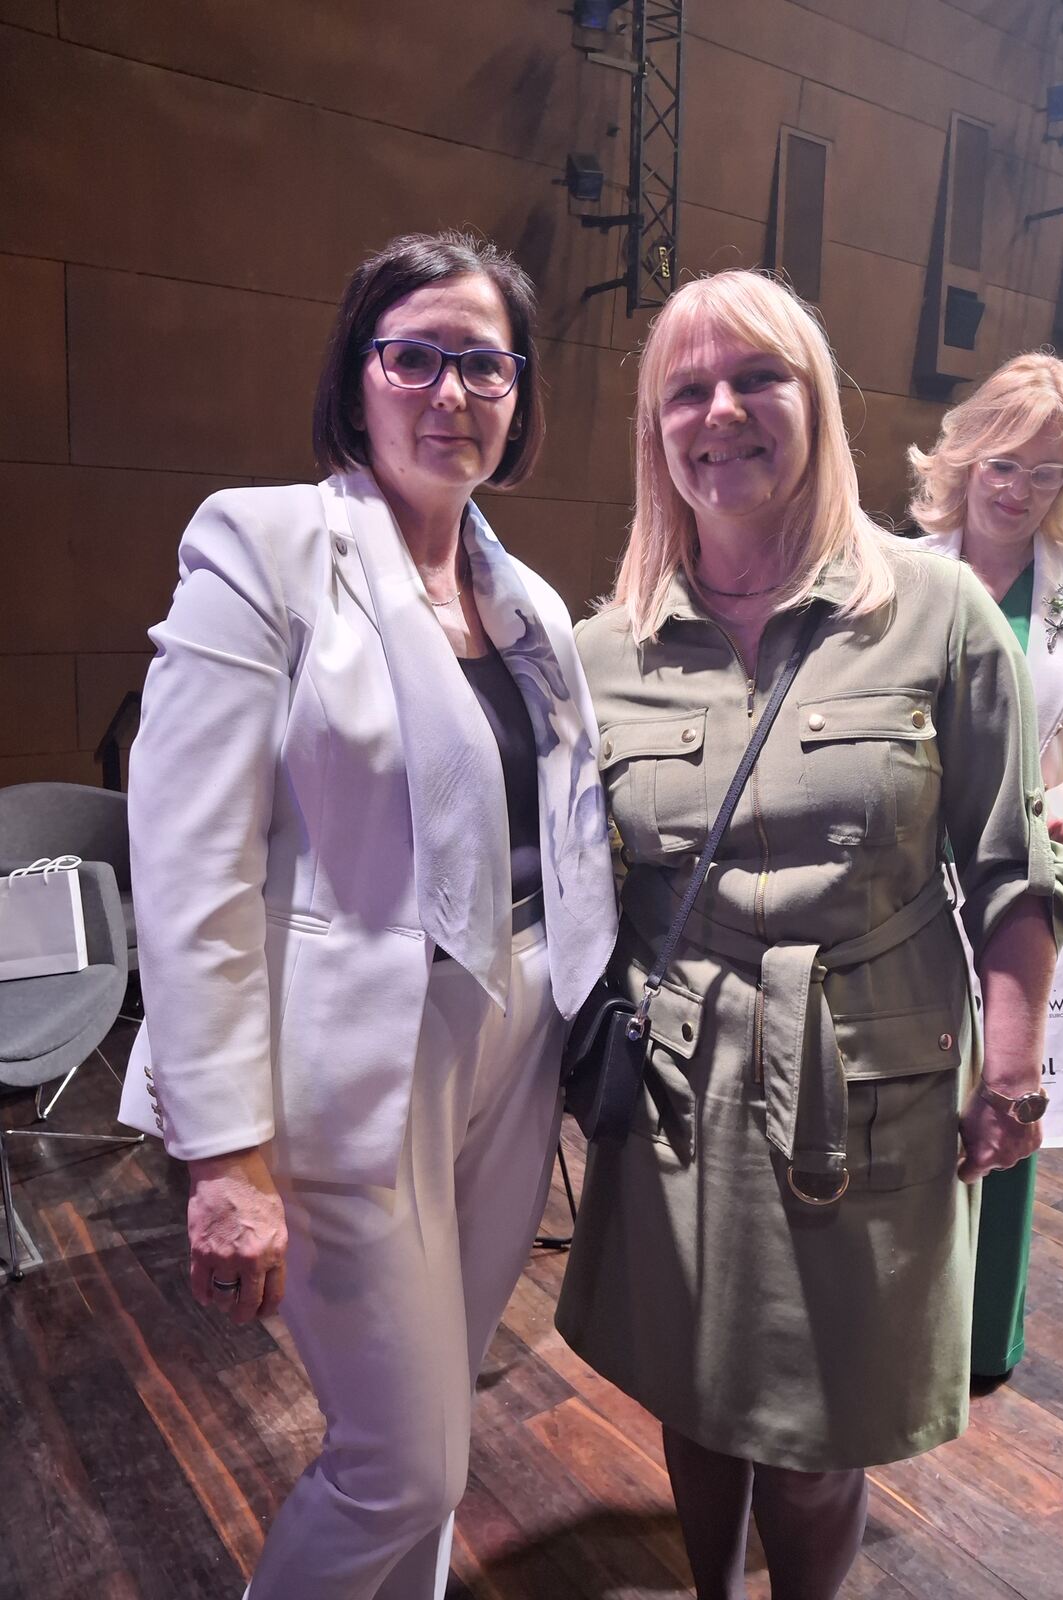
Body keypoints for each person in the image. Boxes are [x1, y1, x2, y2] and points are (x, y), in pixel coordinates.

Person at [553, 271, 1063, 1600]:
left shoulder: (936, 614)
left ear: (817, 403)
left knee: (818, 1430)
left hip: (871, 1081)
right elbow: (570, 889)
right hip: (679, 1092)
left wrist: (1014, 1076)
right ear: (655, 430)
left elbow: (1012, 866)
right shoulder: (603, 652)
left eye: (756, 379)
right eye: (687, 390)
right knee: (694, 1395)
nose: (720, 412)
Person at [117, 230, 617, 1600]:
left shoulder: (528, 606)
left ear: (518, 395)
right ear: (359, 376)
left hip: (515, 1037)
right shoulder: (266, 546)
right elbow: (191, 858)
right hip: (355, 1060)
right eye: (415, 357)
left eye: (484, 365)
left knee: (441, 1407)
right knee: (404, 1464)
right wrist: (224, 1156)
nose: (451, 391)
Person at [908, 350, 1063, 1380]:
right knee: (914, 1092)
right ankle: (899, 1327)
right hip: (909, 872)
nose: (1019, 490)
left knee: (1010, 1088)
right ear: (965, 457)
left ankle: (976, 1342)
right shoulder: (901, 567)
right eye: (1004, 464)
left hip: (1027, 872)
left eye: (1047, 473)